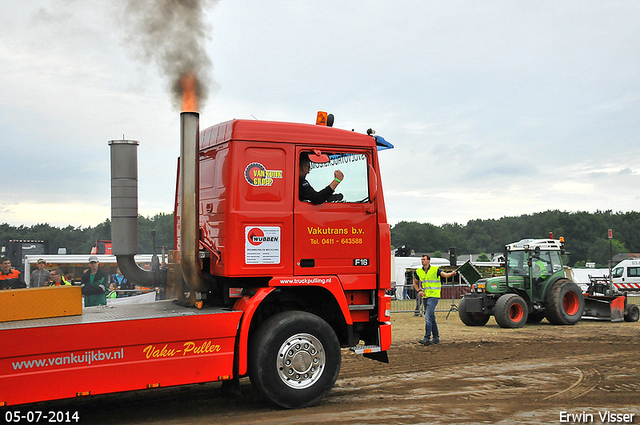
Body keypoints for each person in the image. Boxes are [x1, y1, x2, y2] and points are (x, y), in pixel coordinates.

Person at [413, 254, 457, 346]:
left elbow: (444, 275)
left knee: (428, 316)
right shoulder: (418, 271)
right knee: (431, 317)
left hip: (434, 296)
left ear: (429, 261)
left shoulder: (435, 269)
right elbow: (415, 283)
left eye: (424, 259)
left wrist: (451, 274)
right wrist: (419, 291)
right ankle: (436, 338)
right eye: (421, 259)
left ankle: (427, 337)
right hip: (425, 296)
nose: (422, 261)